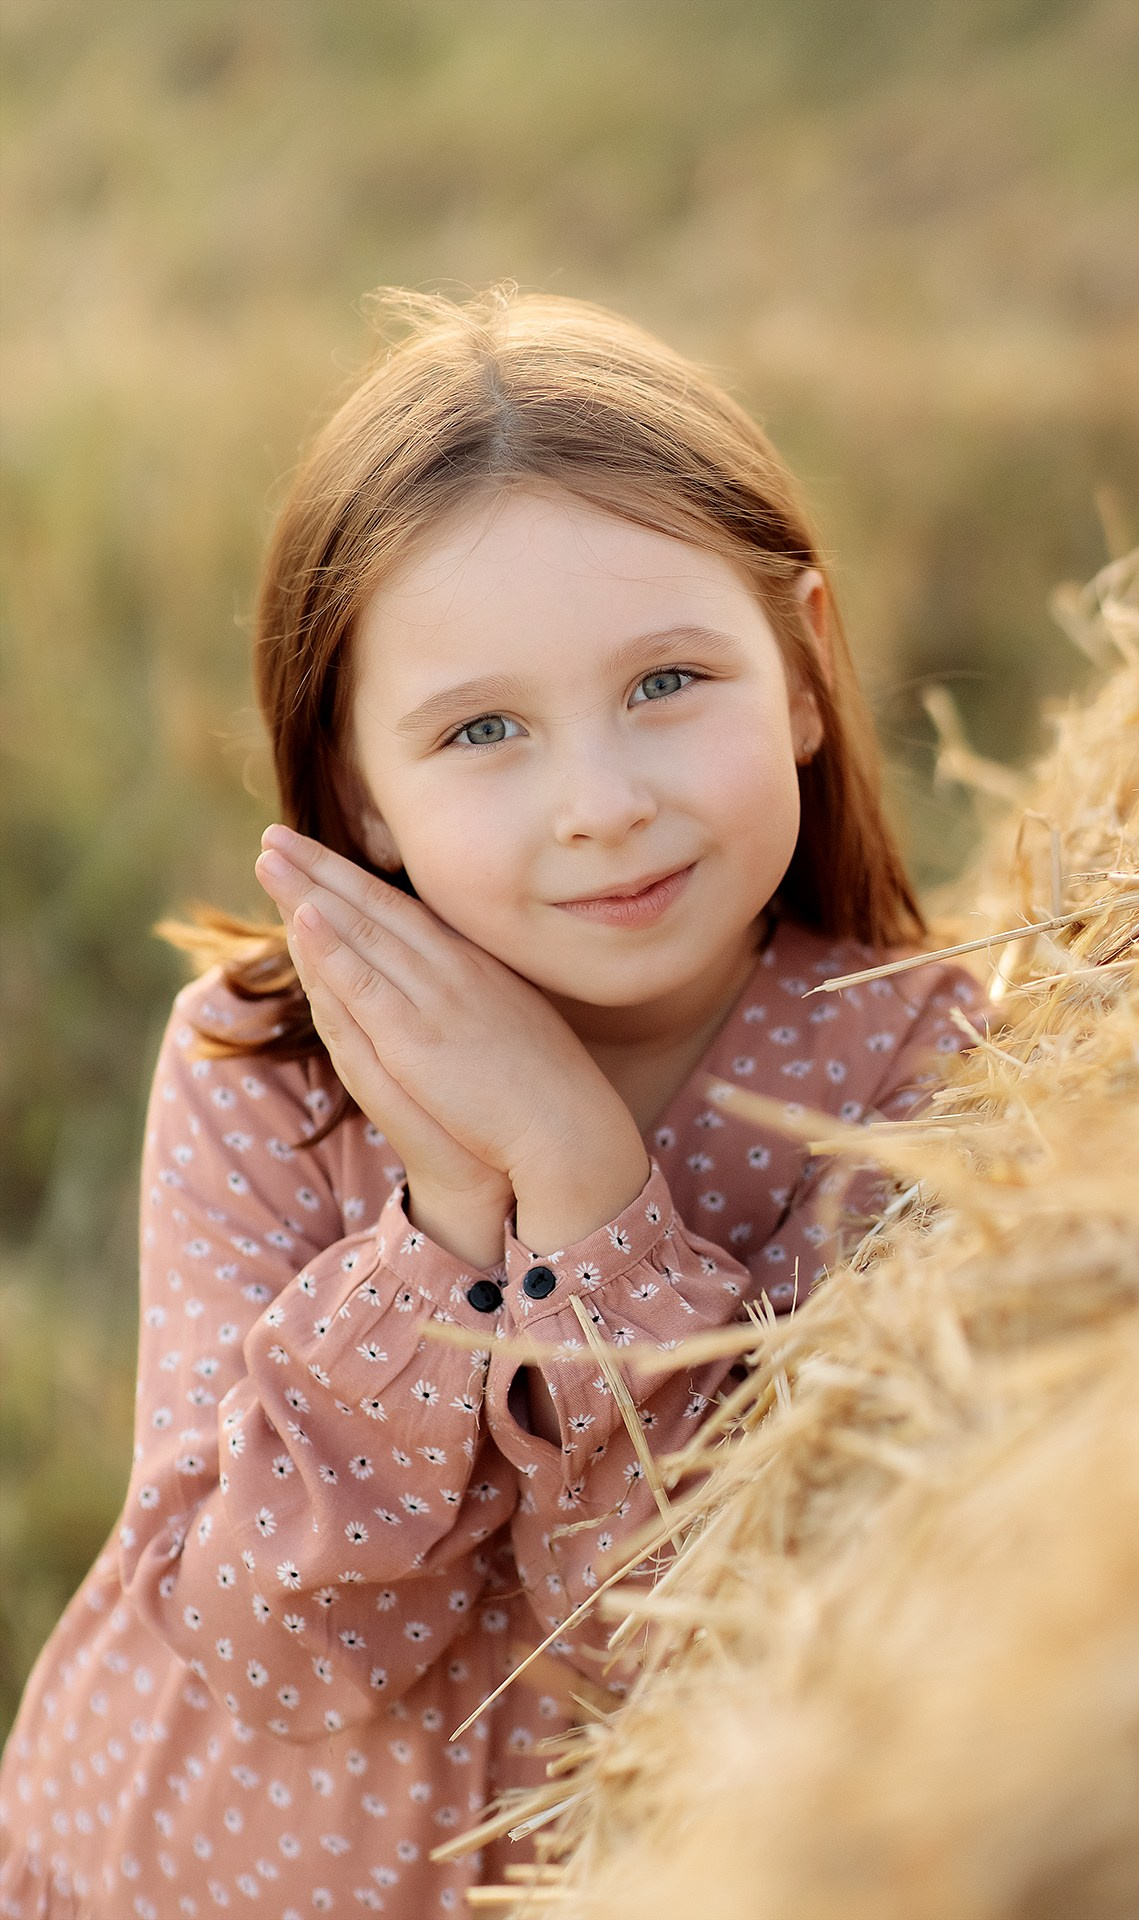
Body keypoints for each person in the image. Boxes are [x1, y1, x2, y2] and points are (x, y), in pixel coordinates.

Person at [0, 288, 985, 1917]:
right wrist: (449, 1224)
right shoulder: (264, 1071)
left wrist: (584, 1188)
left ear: (806, 671)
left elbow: (719, 1657)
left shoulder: (913, 1075)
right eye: (482, 729)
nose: (600, 804)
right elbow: (266, 1645)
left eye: (667, 683)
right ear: (361, 793)